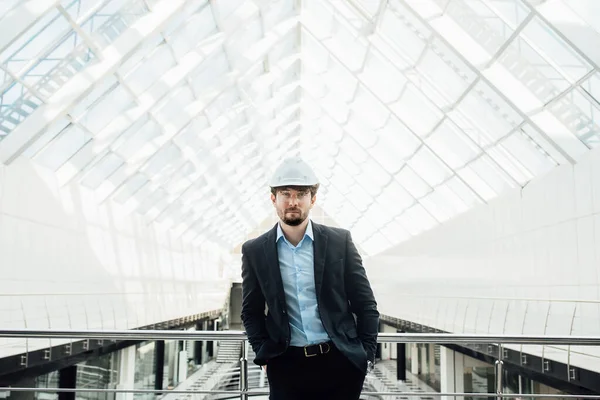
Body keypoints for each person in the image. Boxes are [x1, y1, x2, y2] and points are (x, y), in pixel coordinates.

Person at [240, 157, 380, 400]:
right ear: (273, 198)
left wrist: (365, 354)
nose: (293, 201)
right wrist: (264, 354)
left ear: (312, 199)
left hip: (340, 363)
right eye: (286, 193)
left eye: (301, 194)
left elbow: (365, 304)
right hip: (285, 366)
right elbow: (250, 311)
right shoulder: (254, 250)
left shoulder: (340, 242)